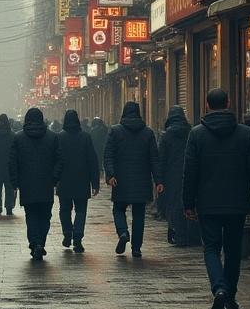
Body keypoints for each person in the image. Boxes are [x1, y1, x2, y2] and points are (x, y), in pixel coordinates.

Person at [183, 87, 250, 309]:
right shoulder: (245, 134)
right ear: (228, 102)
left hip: (208, 204)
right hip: (237, 203)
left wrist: (188, 203)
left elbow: (189, 172)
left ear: (207, 105)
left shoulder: (197, 134)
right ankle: (230, 296)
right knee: (232, 251)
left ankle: (219, 288)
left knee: (210, 248)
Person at [103, 101, 162, 258]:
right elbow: (154, 159)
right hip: (142, 180)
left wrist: (110, 175)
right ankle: (136, 248)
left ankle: (123, 233)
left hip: (121, 179)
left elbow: (108, 155)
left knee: (118, 208)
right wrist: (159, 180)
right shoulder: (148, 133)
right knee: (139, 214)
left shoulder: (115, 131)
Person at [9, 108, 61, 261]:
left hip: (27, 184)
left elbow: (12, 162)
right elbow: (60, 159)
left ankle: (35, 243)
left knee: (31, 215)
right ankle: (40, 243)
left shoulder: (18, 138)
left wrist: (15, 182)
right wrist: (55, 178)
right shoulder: (52, 137)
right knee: (45, 216)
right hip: (46, 184)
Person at [56, 109, 100, 253]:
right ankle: (78, 238)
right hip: (82, 180)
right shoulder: (85, 137)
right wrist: (95, 183)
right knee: (81, 211)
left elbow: (54, 161)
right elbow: (92, 160)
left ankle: (67, 233)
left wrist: (54, 179)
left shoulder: (59, 137)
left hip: (64, 181)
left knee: (64, 209)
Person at [159, 106, 197, 247]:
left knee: (174, 205)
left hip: (171, 175)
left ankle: (179, 236)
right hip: (190, 172)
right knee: (189, 202)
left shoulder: (166, 135)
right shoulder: (192, 132)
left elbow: (161, 159)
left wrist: (159, 179)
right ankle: (192, 236)